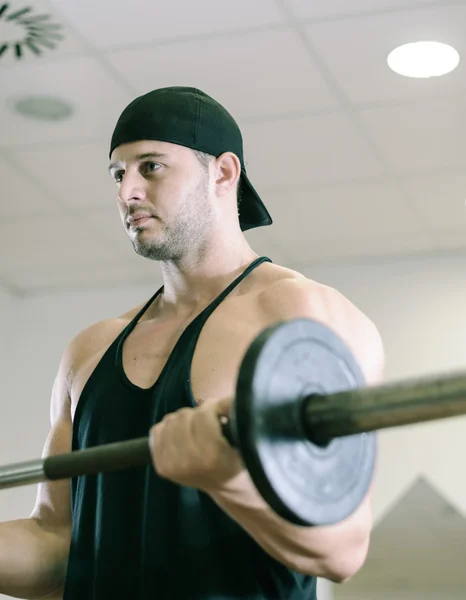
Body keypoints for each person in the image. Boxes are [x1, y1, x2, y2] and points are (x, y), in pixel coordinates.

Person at [0, 86, 385, 600]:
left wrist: (229, 481)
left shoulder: (301, 317)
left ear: (223, 173)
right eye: (118, 174)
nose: (126, 192)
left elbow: (342, 549)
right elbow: (56, 546)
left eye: (151, 167)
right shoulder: (90, 352)